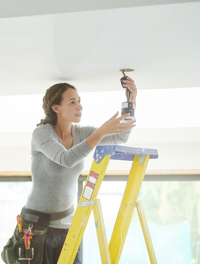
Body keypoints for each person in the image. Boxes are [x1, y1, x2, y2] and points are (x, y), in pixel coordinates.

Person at [24, 78, 137, 264]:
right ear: (56, 108)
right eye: (72, 102)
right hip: (36, 226)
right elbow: (65, 159)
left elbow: (121, 137)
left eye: (79, 101)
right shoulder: (42, 134)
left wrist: (131, 102)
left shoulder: (82, 133)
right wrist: (100, 132)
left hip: (67, 224)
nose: (80, 106)